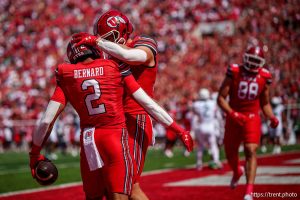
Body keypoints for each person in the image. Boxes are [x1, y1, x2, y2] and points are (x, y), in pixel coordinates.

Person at [29, 32, 193, 200]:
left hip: (89, 142)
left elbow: (46, 121)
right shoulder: (114, 67)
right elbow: (147, 102)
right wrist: (178, 129)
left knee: (94, 196)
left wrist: (34, 154)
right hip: (114, 138)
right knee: (120, 195)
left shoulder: (66, 74)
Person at [76, 10, 163, 200]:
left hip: (135, 118)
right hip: (114, 124)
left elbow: (134, 57)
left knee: (129, 187)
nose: (106, 42)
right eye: (102, 38)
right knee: (110, 186)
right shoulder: (109, 55)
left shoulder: (145, 43)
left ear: (122, 32)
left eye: (110, 37)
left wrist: (98, 42)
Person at [217, 45, 279, 200]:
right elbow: (220, 97)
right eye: (250, 60)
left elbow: (265, 103)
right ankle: (237, 171)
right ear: (245, 58)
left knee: (250, 150)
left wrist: (271, 117)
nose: (251, 64)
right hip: (234, 117)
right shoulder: (235, 71)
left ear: (261, 62)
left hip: (251, 117)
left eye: (255, 61)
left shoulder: (264, 76)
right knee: (230, 153)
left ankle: (249, 191)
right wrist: (232, 113)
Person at [192, 88, 222, 170]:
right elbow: (217, 116)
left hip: (201, 126)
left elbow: (195, 115)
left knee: (200, 146)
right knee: (213, 145)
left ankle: (199, 163)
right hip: (211, 126)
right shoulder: (213, 103)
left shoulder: (196, 104)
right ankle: (216, 161)